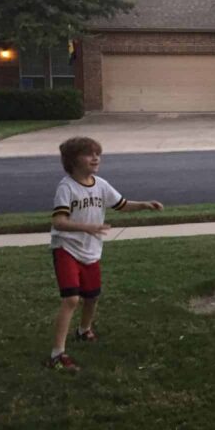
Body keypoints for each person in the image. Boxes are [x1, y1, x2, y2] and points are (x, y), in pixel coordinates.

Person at [46, 136, 163, 372]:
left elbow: (121, 204)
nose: (96, 158)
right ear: (72, 160)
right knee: (71, 299)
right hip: (66, 248)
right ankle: (57, 354)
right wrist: (87, 227)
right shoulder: (66, 187)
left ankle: (83, 330)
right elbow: (58, 221)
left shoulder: (100, 184)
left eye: (97, 153)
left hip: (91, 250)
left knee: (92, 296)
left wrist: (144, 204)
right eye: (89, 154)